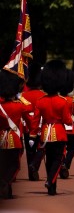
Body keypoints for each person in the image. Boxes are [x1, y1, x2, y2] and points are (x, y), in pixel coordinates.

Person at [32, 60, 73, 195]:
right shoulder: (62, 101)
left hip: (45, 133)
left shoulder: (40, 101)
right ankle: (50, 181)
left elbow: (36, 119)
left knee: (49, 160)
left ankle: (52, 188)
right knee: (59, 159)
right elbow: (67, 121)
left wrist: (33, 134)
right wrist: (70, 122)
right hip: (59, 133)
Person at [0, 70, 32, 199]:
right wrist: (20, 97)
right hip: (14, 138)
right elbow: (29, 108)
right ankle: (5, 183)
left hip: (1, 138)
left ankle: (5, 185)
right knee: (14, 165)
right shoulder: (19, 106)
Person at [20, 62, 45, 181]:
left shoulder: (23, 95)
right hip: (40, 126)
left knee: (29, 151)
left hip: (27, 126)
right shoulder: (43, 95)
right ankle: (34, 166)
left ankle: (31, 173)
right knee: (41, 148)